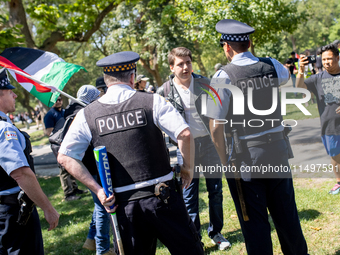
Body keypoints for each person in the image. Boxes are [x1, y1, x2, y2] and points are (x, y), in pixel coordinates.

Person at [58, 51, 204, 255]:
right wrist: (187, 169)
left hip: (124, 207)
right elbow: (185, 134)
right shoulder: (153, 101)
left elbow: (65, 157)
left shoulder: (87, 115)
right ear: (132, 76)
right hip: (163, 197)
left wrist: (98, 190)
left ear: (107, 81)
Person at [206, 19, 308, 254]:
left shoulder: (223, 76)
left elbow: (215, 126)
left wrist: (224, 162)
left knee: (255, 225)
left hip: (246, 159)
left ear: (226, 47)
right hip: (278, 151)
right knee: (287, 217)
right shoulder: (272, 65)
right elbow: (287, 80)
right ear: (250, 43)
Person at [156, 47, 230, 250]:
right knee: (189, 196)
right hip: (185, 148)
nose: (185, 67)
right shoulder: (164, 92)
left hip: (209, 143)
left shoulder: (206, 83)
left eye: (188, 62)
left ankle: (216, 233)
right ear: (172, 67)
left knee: (216, 191)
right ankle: (194, 237)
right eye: (180, 64)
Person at [0, 69, 59, 254]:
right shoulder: (3, 130)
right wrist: (48, 208)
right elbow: (21, 173)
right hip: (12, 211)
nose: (15, 94)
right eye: (10, 91)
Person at [64, 85, 113, 255]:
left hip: (84, 168)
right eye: (96, 96)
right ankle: (103, 249)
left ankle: (91, 241)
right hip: (94, 166)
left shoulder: (71, 112)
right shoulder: (84, 114)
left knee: (98, 204)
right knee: (102, 207)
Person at [296, 43, 340, 195]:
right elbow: (300, 88)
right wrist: (301, 70)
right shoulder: (317, 79)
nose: (327, 62)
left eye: (330, 59)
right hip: (329, 125)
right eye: (324, 59)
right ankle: (339, 182)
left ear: (338, 58)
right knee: (335, 155)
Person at [44, 96, 86, 201]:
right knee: (63, 169)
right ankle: (68, 194)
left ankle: (75, 189)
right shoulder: (50, 115)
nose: (58, 102)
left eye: (60, 99)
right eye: (56, 100)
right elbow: (48, 132)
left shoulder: (64, 111)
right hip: (58, 144)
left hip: (66, 142)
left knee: (71, 165)